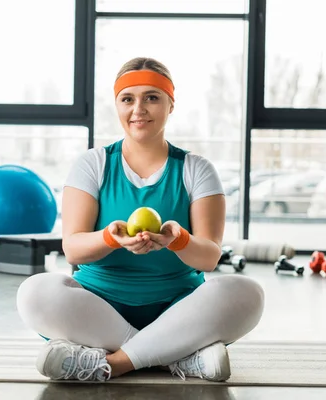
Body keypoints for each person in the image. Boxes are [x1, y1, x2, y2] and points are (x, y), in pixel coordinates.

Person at [16, 57, 265, 382]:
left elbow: (209, 257)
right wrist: (109, 237)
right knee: (34, 292)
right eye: (128, 99)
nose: (139, 109)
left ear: (170, 105)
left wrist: (178, 240)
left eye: (152, 97)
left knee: (248, 294)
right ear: (117, 105)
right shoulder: (94, 164)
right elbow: (73, 250)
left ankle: (111, 363)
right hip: (98, 307)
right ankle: (176, 357)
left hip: (179, 309)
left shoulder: (196, 169)